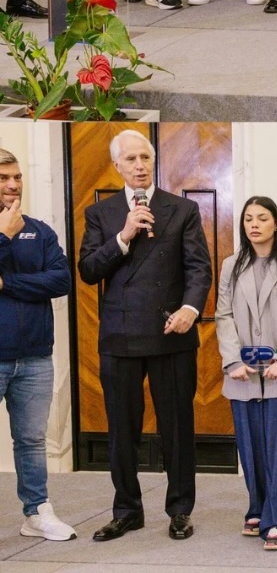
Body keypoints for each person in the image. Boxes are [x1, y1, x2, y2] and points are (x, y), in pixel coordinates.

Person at [77, 130, 212, 543]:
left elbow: (198, 268)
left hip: (171, 332)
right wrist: (123, 236)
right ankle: (127, 510)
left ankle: (180, 510)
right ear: (116, 165)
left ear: (153, 162)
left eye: (145, 158)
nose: (139, 165)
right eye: (130, 159)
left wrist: (191, 310)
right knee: (122, 429)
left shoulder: (182, 209)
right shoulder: (102, 213)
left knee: (177, 427)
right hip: (120, 337)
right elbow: (88, 271)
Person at [216, 196, 277, 552]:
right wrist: (231, 360)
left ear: (275, 224)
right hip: (242, 372)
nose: (254, 224)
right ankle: (258, 507)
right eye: (248, 219)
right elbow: (223, 315)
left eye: (262, 218)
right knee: (252, 447)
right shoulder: (231, 265)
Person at [0, 148, 76, 542]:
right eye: (3, 179)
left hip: (34, 358)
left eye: (17, 177)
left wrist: (7, 283)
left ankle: (36, 512)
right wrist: (3, 236)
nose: (13, 186)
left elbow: (60, 282)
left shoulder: (40, 231)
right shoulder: (11, 231)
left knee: (31, 440)